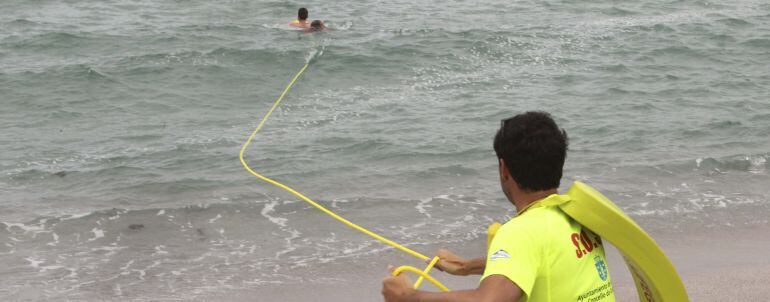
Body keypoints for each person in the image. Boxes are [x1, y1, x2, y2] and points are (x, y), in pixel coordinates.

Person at [381, 112, 616, 302]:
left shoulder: (521, 231)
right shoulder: (577, 216)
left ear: (504, 169)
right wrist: (466, 267)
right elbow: (538, 263)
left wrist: (409, 297)